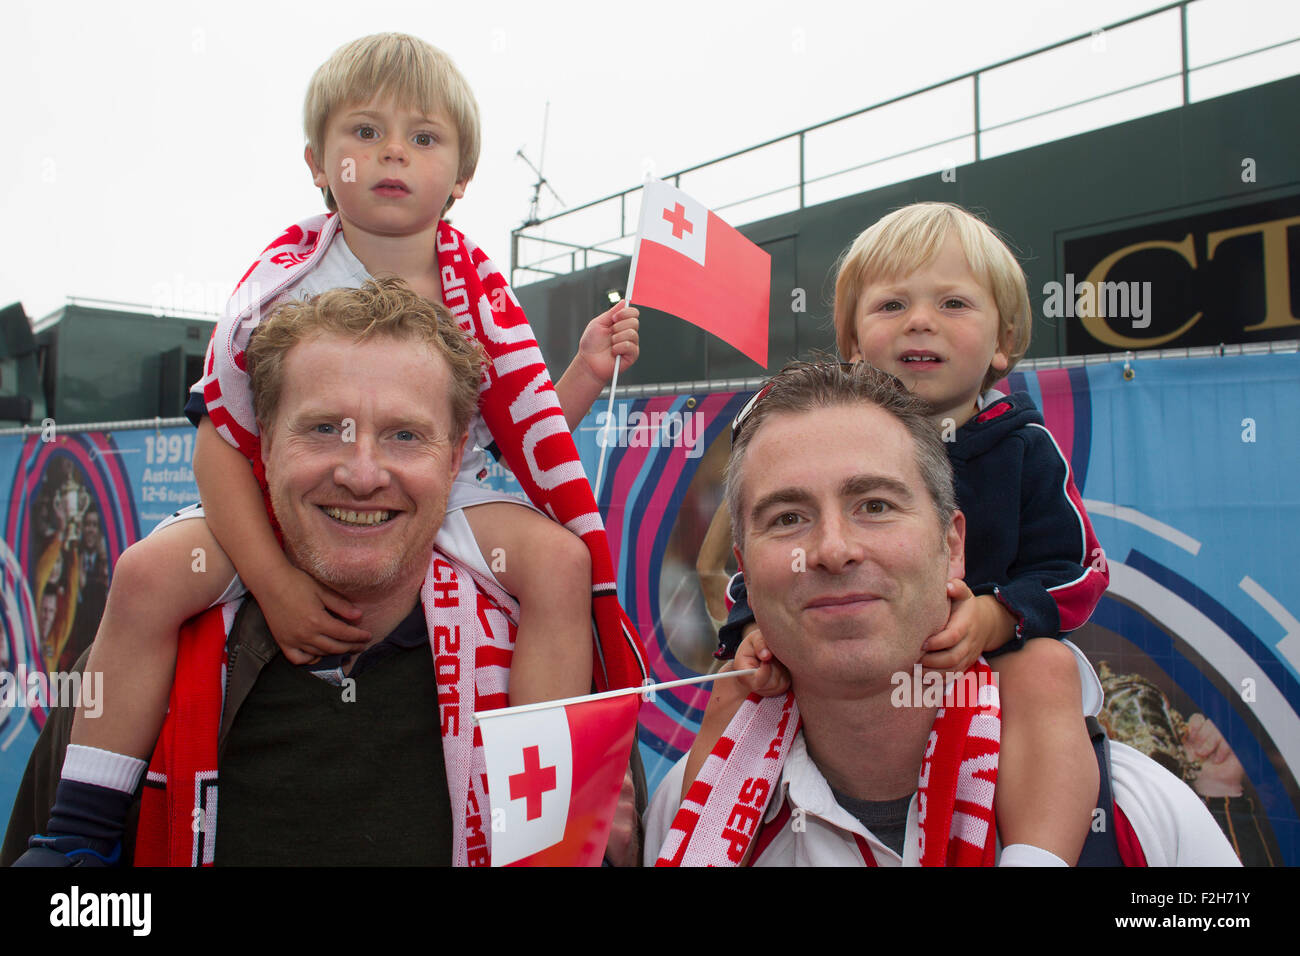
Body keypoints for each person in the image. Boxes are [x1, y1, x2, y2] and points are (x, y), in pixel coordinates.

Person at [25, 33, 646, 864]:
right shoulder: (280, 281)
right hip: (265, 507)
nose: (392, 152)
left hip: (453, 500)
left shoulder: (481, 294)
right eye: (364, 132)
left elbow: (520, 437)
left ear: (461, 178)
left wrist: (582, 370)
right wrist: (276, 584)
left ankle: (547, 830)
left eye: (423, 138)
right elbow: (221, 446)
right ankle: (77, 830)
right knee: (143, 573)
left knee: (562, 565)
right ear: (318, 162)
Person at [5, 280, 641, 866]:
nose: (361, 475)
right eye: (322, 430)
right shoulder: (131, 676)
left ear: (454, 463)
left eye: (403, 436)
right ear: (265, 447)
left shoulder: (570, 704)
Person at [646, 361, 1239, 866]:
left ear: (953, 546)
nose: (831, 550)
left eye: (875, 505)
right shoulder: (685, 811)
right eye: (788, 518)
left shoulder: (1140, 819)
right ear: (745, 569)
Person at [710, 203, 1109, 865]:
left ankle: (1039, 852)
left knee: (1048, 667)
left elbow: (1078, 570)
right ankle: (706, 845)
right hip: (845, 678)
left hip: (991, 663)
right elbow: (759, 561)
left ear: (1003, 344)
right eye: (892, 305)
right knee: (737, 680)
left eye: (954, 303)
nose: (920, 320)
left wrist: (997, 616)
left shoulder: (1026, 449)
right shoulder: (809, 444)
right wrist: (750, 628)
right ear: (851, 344)